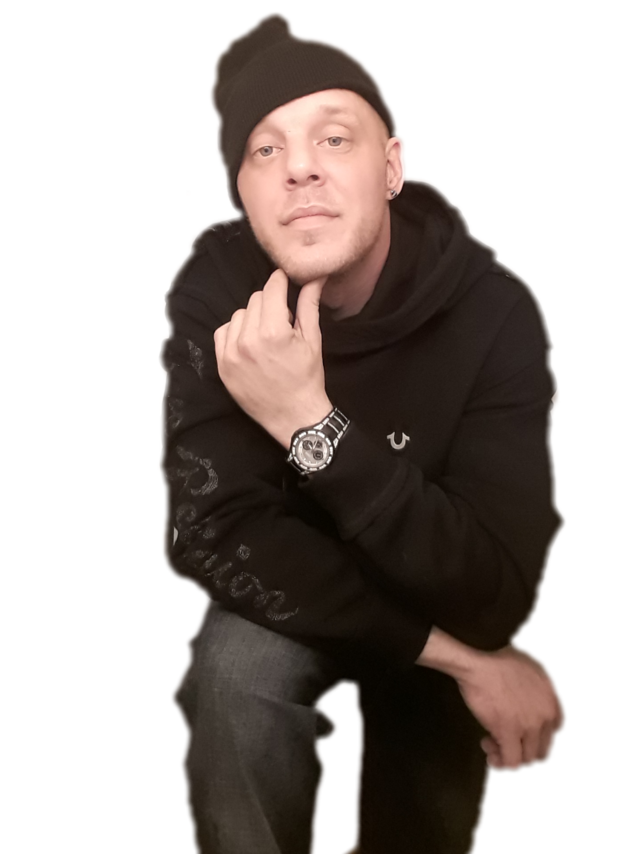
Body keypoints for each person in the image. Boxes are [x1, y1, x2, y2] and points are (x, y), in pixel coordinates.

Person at [158, 11, 567, 853]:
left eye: (334, 138)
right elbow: (207, 535)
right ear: (241, 193)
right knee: (233, 673)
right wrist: (463, 659)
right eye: (265, 150)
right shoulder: (216, 286)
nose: (299, 167)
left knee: (430, 760)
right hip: (294, 599)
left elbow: (494, 590)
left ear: (392, 167)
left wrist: (309, 422)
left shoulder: (496, 310)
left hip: (439, 590)